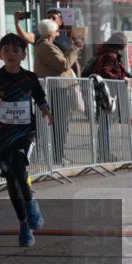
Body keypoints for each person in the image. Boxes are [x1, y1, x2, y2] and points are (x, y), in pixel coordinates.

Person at [0, 34, 52, 247]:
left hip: (25, 133)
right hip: (4, 136)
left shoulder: (30, 78)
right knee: (11, 181)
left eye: (16, 50)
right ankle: (24, 225)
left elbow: (40, 97)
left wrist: (45, 110)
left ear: (24, 55)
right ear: (0, 54)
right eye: (6, 50)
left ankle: (31, 205)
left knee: (18, 166)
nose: (11, 54)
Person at [33, 19, 76, 164]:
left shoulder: (47, 46)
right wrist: (74, 52)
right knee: (59, 124)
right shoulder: (45, 46)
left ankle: (58, 155)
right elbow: (63, 65)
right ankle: (57, 157)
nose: (58, 34)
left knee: (60, 124)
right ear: (51, 32)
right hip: (57, 90)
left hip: (58, 89)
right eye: (57, 31)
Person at [88, 32, 132, 162]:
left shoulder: (110, 54)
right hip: (107, 94)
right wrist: (121, 78)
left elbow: (116, 70)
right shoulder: (109, 55)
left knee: (105, 125)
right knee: (105, 125)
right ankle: (104, 155)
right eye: (125, 43)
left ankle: (104, 154)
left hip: (108, 93)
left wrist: (128, 76)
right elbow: (105, 72)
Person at [15, 7, 82, 75]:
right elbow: (25, 36)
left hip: (69, 76)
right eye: (48, 18)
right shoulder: (42, 37)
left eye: (53, 18)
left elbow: (72, 54)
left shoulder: (67, 36)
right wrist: (17, 24)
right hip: (53, 80)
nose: (50, 20)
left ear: (61, 22)